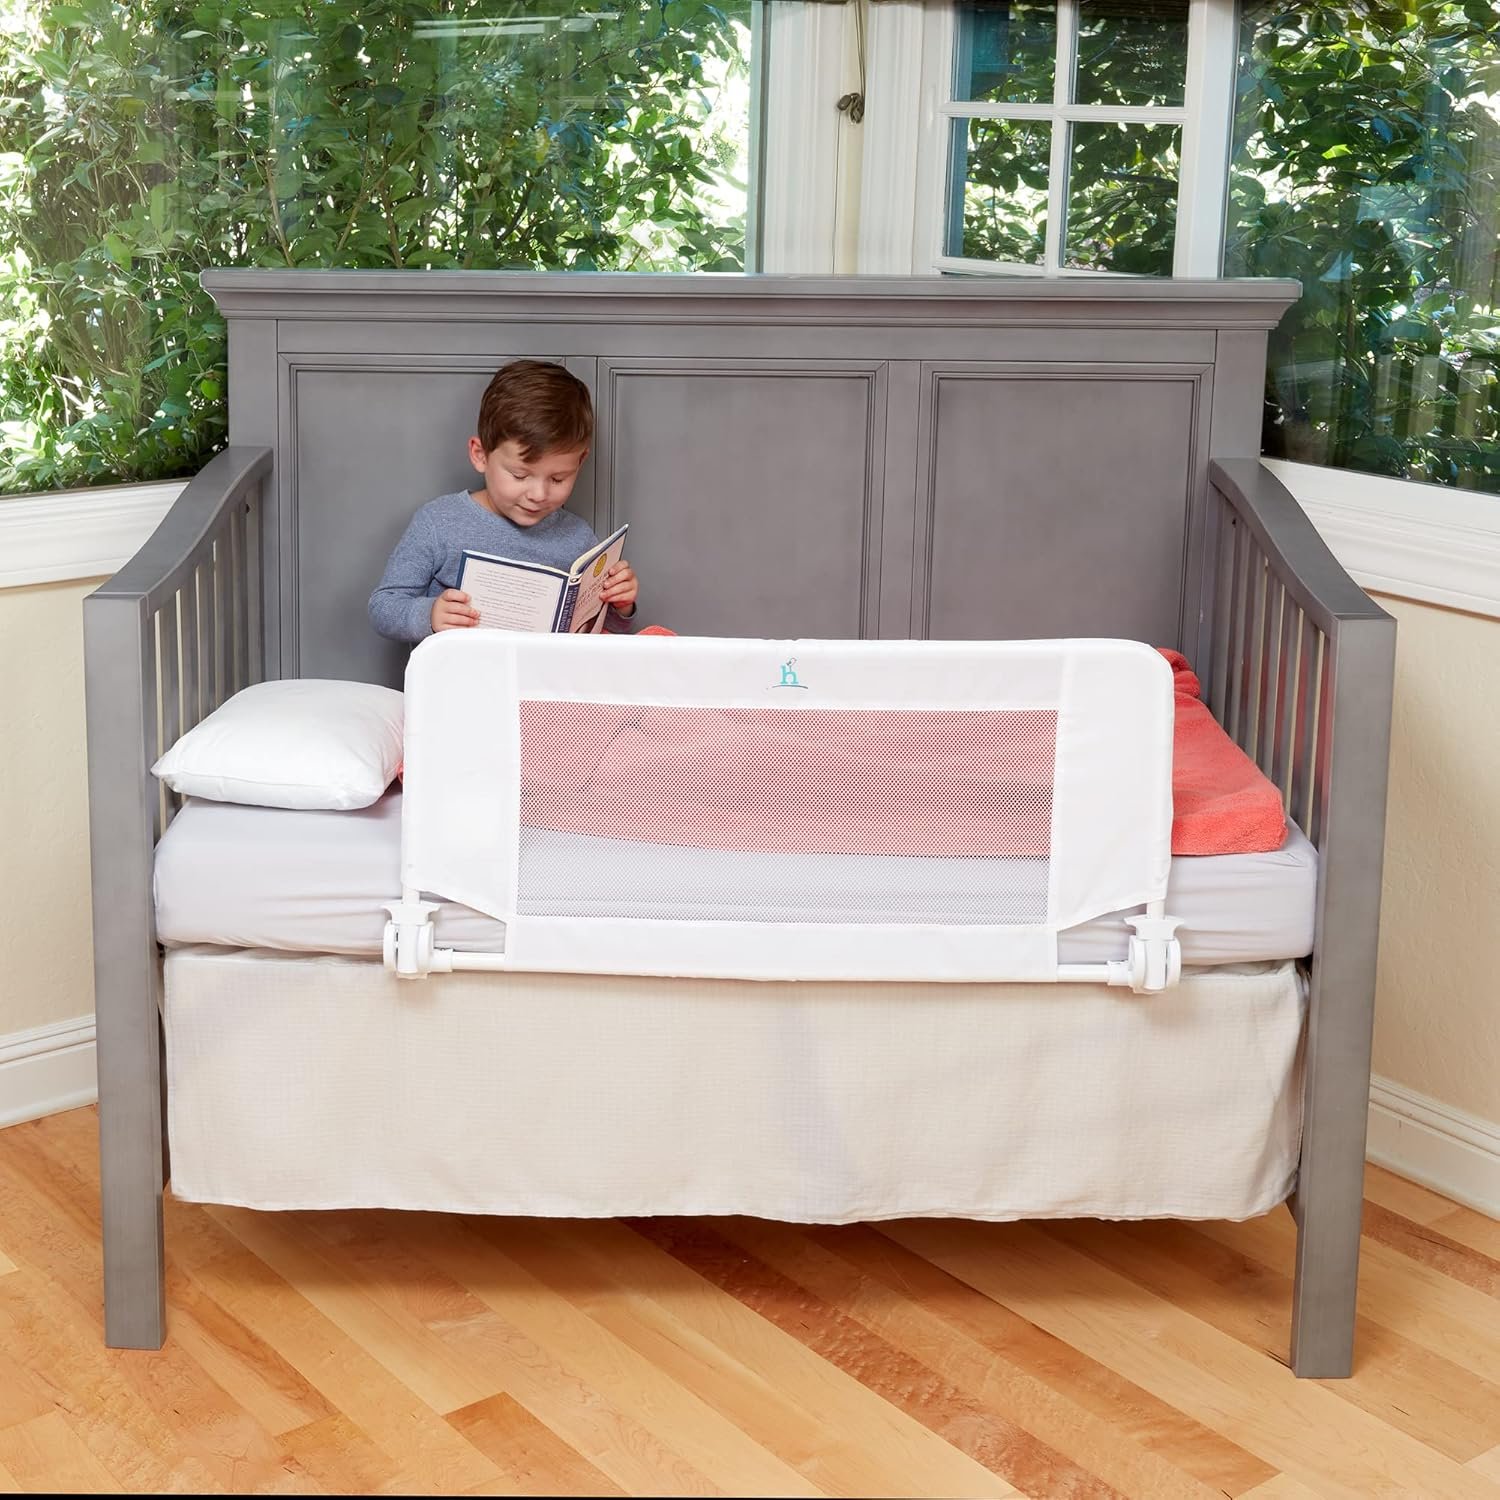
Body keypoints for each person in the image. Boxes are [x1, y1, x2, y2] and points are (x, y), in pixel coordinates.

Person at [368, 360, 639, 641]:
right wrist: (430, 616)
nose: (538, 494)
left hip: (541, 669)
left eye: (558, 479)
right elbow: (384, 607)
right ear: (480, 455)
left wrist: (621, 605)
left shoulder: (579, 538)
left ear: (580, 462)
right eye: (520, 475)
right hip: (462, 667)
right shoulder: (439, 522)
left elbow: (602, 632)